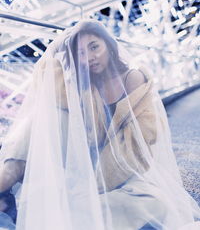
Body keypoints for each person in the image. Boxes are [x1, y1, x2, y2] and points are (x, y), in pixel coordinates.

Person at [0, 20, 199, 230]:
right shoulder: (86, 86)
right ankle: (7, 175)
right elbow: (49, 89)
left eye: (94, 47)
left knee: (150, 203)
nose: (90, 57)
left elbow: (136, 147)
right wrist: (57, 48)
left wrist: (91, 186)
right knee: (52, 114)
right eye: (81, 53)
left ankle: (56, 206)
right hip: (84, 161)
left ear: (109, 45)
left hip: (123, 171)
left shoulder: (133, 78)